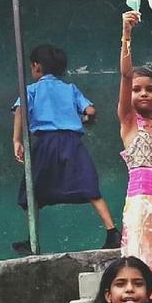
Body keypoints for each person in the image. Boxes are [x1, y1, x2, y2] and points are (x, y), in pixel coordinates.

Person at [11, 44, 120, 254]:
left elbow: (20, 111)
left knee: (31, 190)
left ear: (36, 67)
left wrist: (17, 140)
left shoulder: (31, 90)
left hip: (46, 143)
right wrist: (84, 119)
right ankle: (112, 231)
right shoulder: (70, 88)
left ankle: (32, 240)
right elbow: (90, 110)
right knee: (90, 187)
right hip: (72, 142)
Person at [117, 11, 152, 268]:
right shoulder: (130, 123)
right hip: (142, 208)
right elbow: (126, 77)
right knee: (142, 265)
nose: (143, 94)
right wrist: (126, 36)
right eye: (137, 90)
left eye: (150, 89)